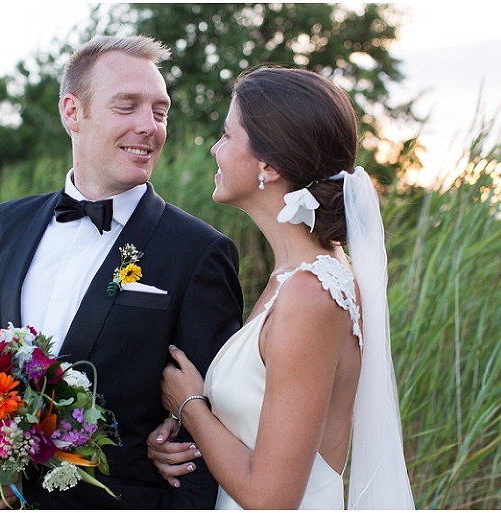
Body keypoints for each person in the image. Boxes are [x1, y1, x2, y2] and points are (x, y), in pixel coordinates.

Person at [0, 35, 244, 509]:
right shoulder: (0, 226)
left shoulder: (199, 251)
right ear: (73, 112)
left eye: (159, 111)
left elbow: (209, 435)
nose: (149, 126)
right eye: (127, 106)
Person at [146, 66, 415, 509]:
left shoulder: (310, 294)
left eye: (227, 135)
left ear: (268, 166)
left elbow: (272, 498)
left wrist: (191, 405)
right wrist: (186, 433)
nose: (214, 149)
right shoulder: (292, 277)